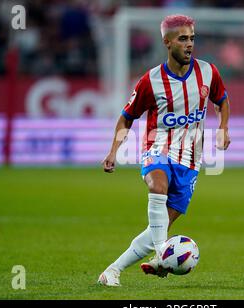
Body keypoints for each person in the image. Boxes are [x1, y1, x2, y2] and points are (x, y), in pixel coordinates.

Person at [98, 14, 230, 286]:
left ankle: (112, 270)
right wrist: (113, 151)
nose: (189, 44)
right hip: (157, 149)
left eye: (192, 38)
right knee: (157, 187)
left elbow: (222, 100)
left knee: (157, 229)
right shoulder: (151, 81)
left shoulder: (208, 72)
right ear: (167, 42)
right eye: (183, 39)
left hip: (191, 161)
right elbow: (127, 116)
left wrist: (223, 127)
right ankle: (162, 253)